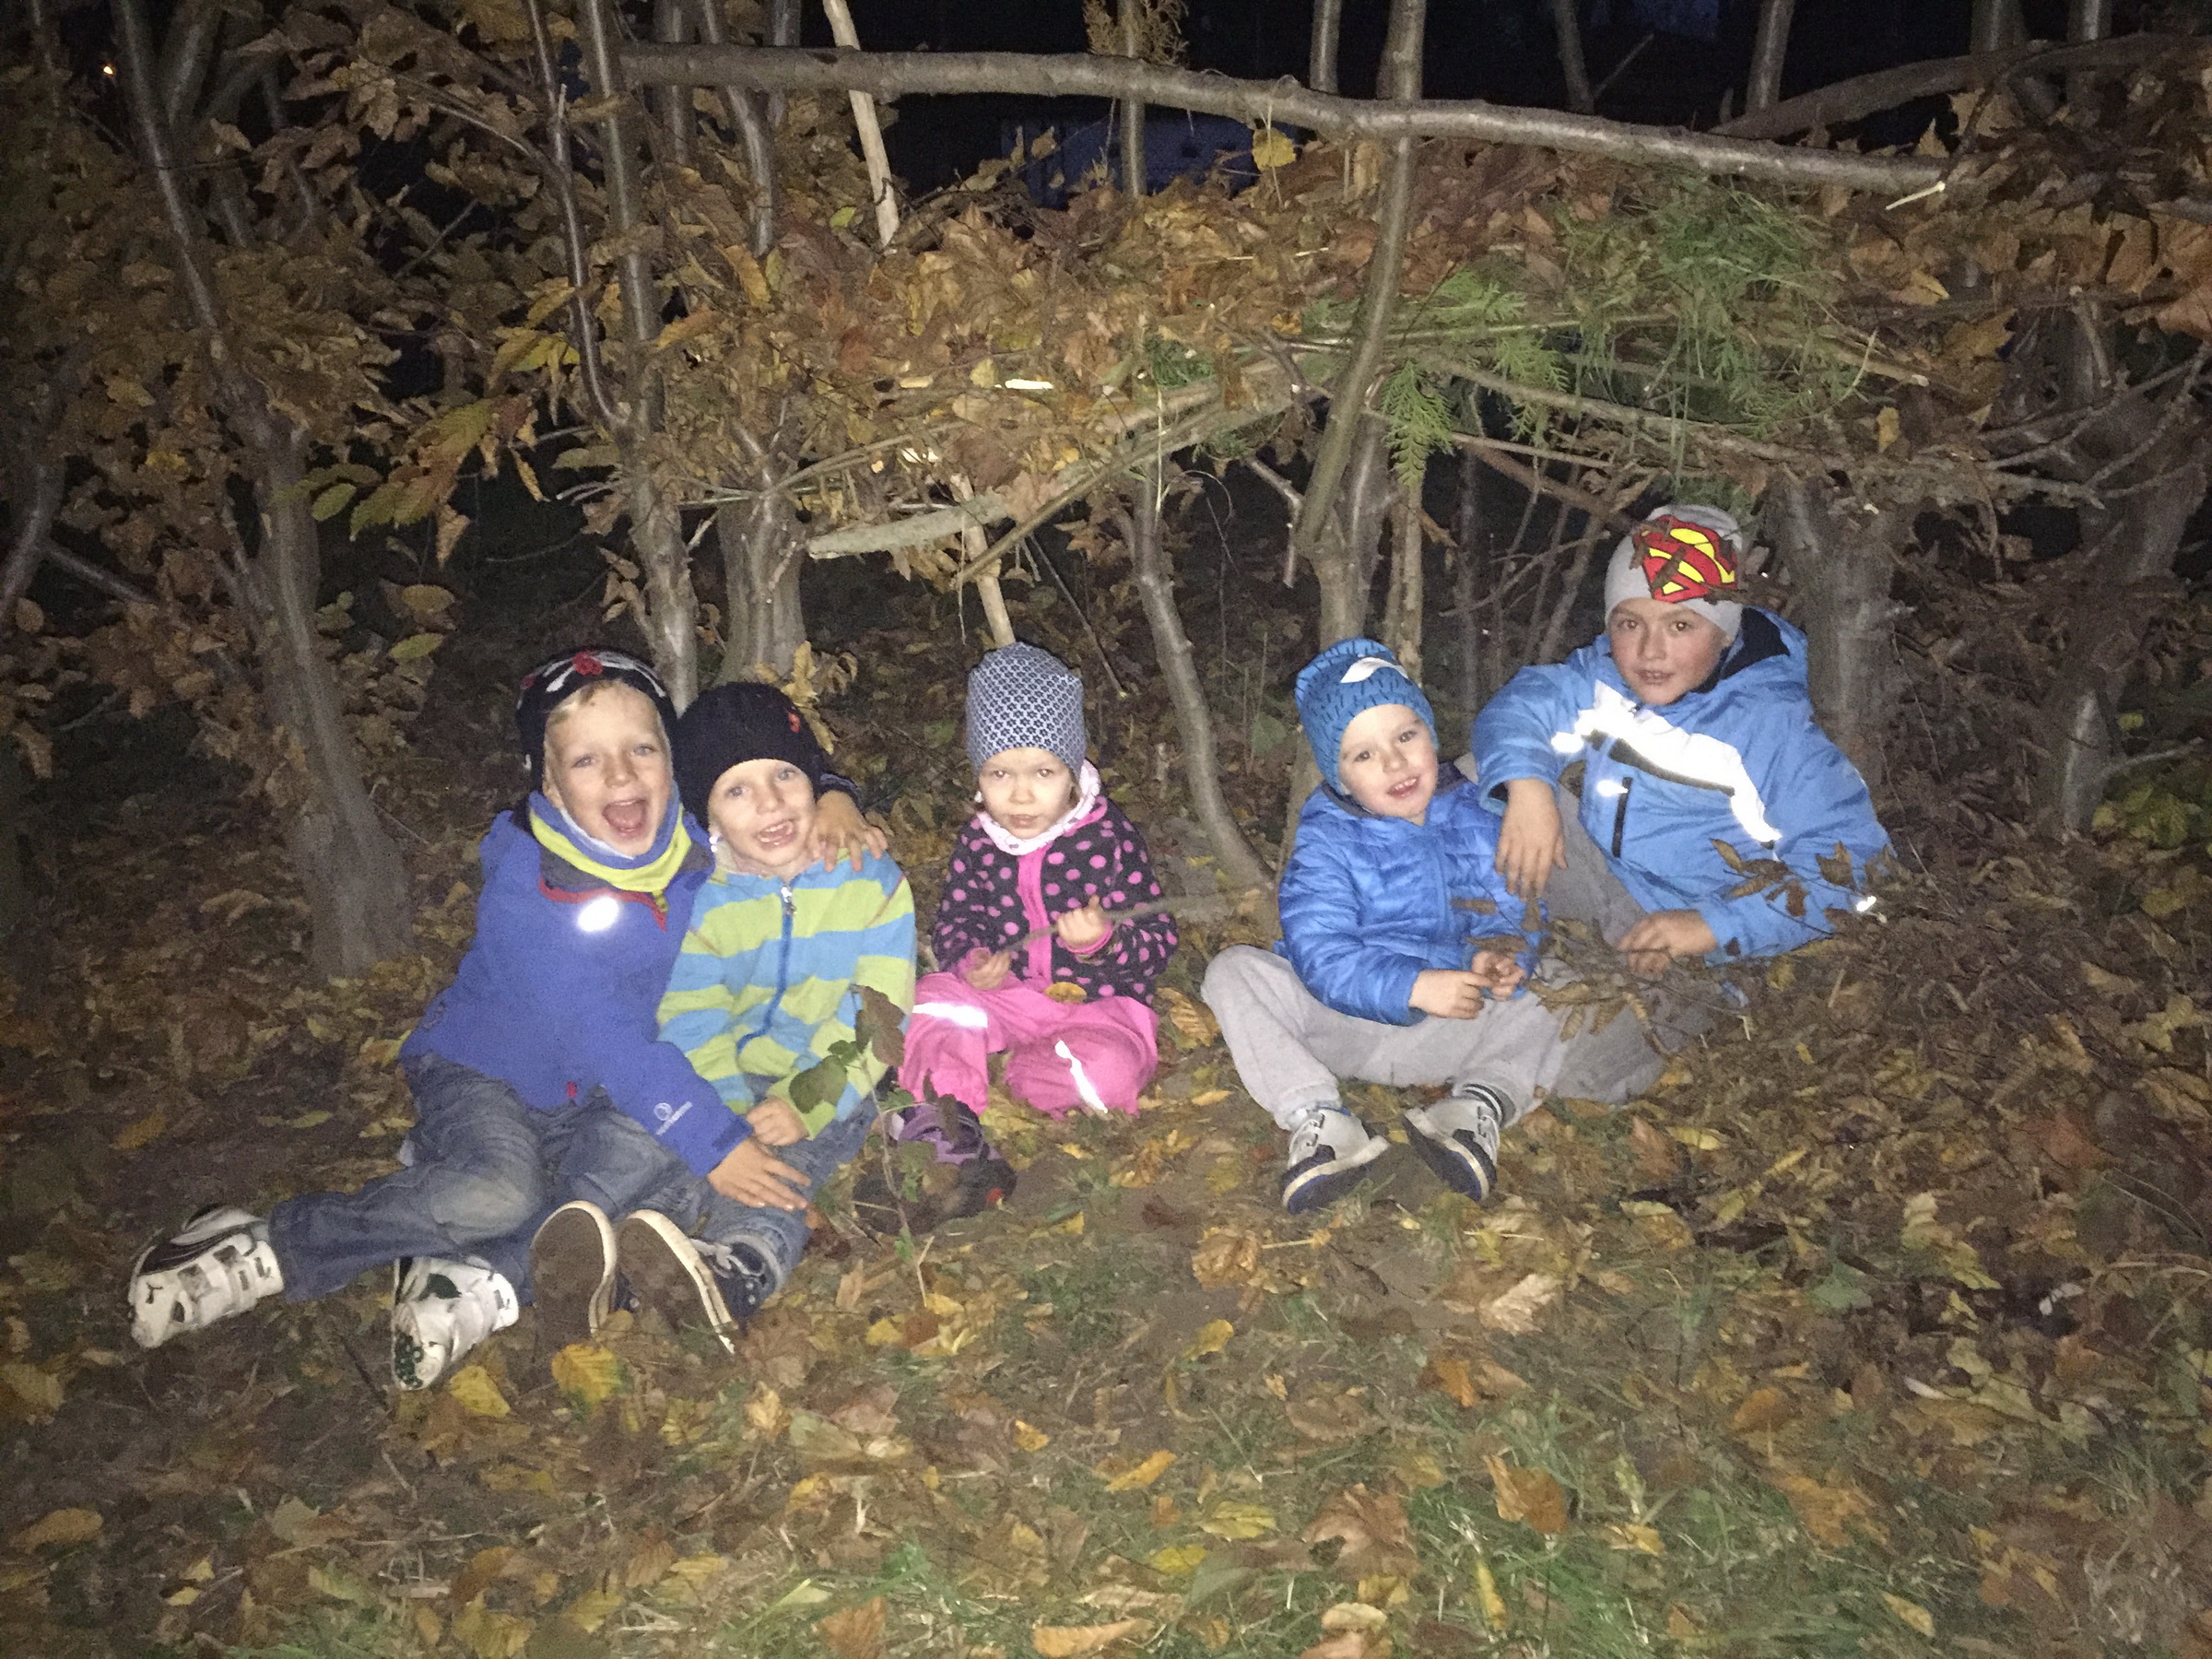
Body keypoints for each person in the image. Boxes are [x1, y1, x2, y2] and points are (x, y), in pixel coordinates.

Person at [125, 649, 880, 1388]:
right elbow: (602, 1034)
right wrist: (714, 1144)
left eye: (641, 749)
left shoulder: (695, 844)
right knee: (499, 1191)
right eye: (586, 761)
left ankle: (468, 1278)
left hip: (610, 1094)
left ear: (671, 762)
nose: (621, 775)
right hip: (489, 1072)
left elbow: (759, 774)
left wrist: (834, 792)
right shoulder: (527, 883)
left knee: (620, 1175)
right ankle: (268, 1246)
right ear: (546, 777)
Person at [1204, 638, 1584, 1214]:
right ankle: (1319, 1119)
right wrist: (1410, 984)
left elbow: (1517, 911)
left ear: (1430, 735)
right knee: (1235, 973)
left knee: (1558, 982)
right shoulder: (1329, 836)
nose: (1394, 762)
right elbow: (1322, 953)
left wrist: (1500, 958)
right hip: (1343, 1022)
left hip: (1453, 1023)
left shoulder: (1481, 813)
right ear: (1340, 775)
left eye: (1406, 736)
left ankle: (1473, 1108)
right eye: (1364, 755)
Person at [610, 683, 914, 1348]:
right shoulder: (699, 899)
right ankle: (634, 1255)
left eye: (784, 775)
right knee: (688, 1153)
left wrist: (806, 1101)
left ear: (814, 781)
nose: (771, 803)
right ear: (707, 816)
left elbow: (878, 1013)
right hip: (722, 1074)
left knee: (782, 1165)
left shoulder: (870, 879)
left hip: (832, 1081)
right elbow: (691, 1018)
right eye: (737, 790)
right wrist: (720, 1117)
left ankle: (740, 1267)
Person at [1474, 503, 1889, 976]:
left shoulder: (1770, 726)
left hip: (1707, 951)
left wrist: (1711, 925)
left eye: (1680, 625)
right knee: (1481, 776)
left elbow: (1860, 872)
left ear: (1723, 634)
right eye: (1630, 623)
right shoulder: (1609, 675)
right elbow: (1523, 706)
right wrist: (1528, 787)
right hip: (1614, 881)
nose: (1650, 651)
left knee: (1524, 1032)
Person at [892, 642, 1175, 1199]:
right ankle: (945, 1114)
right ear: (979, 774)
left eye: (1042, 771)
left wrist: (1105, 942)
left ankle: (1032, 1074)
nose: (1020, 793)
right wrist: (971, 959)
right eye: (1000, 772)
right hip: (1011, 997)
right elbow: (957, 915)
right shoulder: (979, 841)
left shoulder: (1108, 841)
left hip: (1099, 1006)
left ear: (1070, 774)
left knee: (1111, 1073)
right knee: (930, 999)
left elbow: (1159, 943)